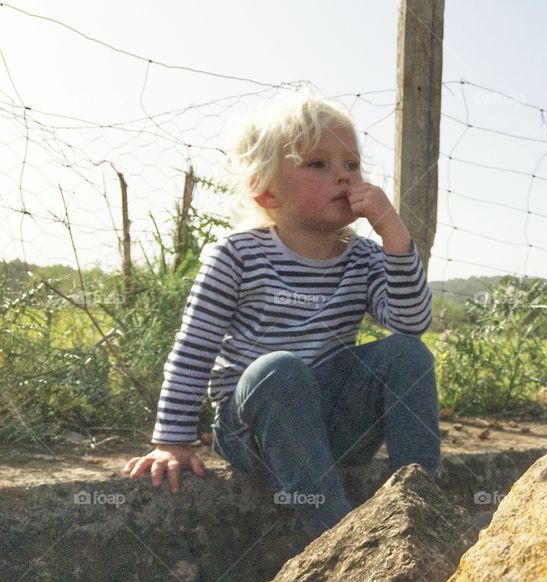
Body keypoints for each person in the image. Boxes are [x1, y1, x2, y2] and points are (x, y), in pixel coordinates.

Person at [123, 92, 439, 537]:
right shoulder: (237, 255)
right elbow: (195, 347)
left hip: (333, 426)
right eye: (318, 164)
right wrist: (172, 441)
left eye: (352, 164)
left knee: (409, 353)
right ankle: (337, 535)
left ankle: (422, 509)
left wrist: (395, 236)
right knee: (280, 370)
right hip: (254, 427)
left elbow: (410, 323)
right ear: (266, 189)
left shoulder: (366, 258)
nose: (344, 178)